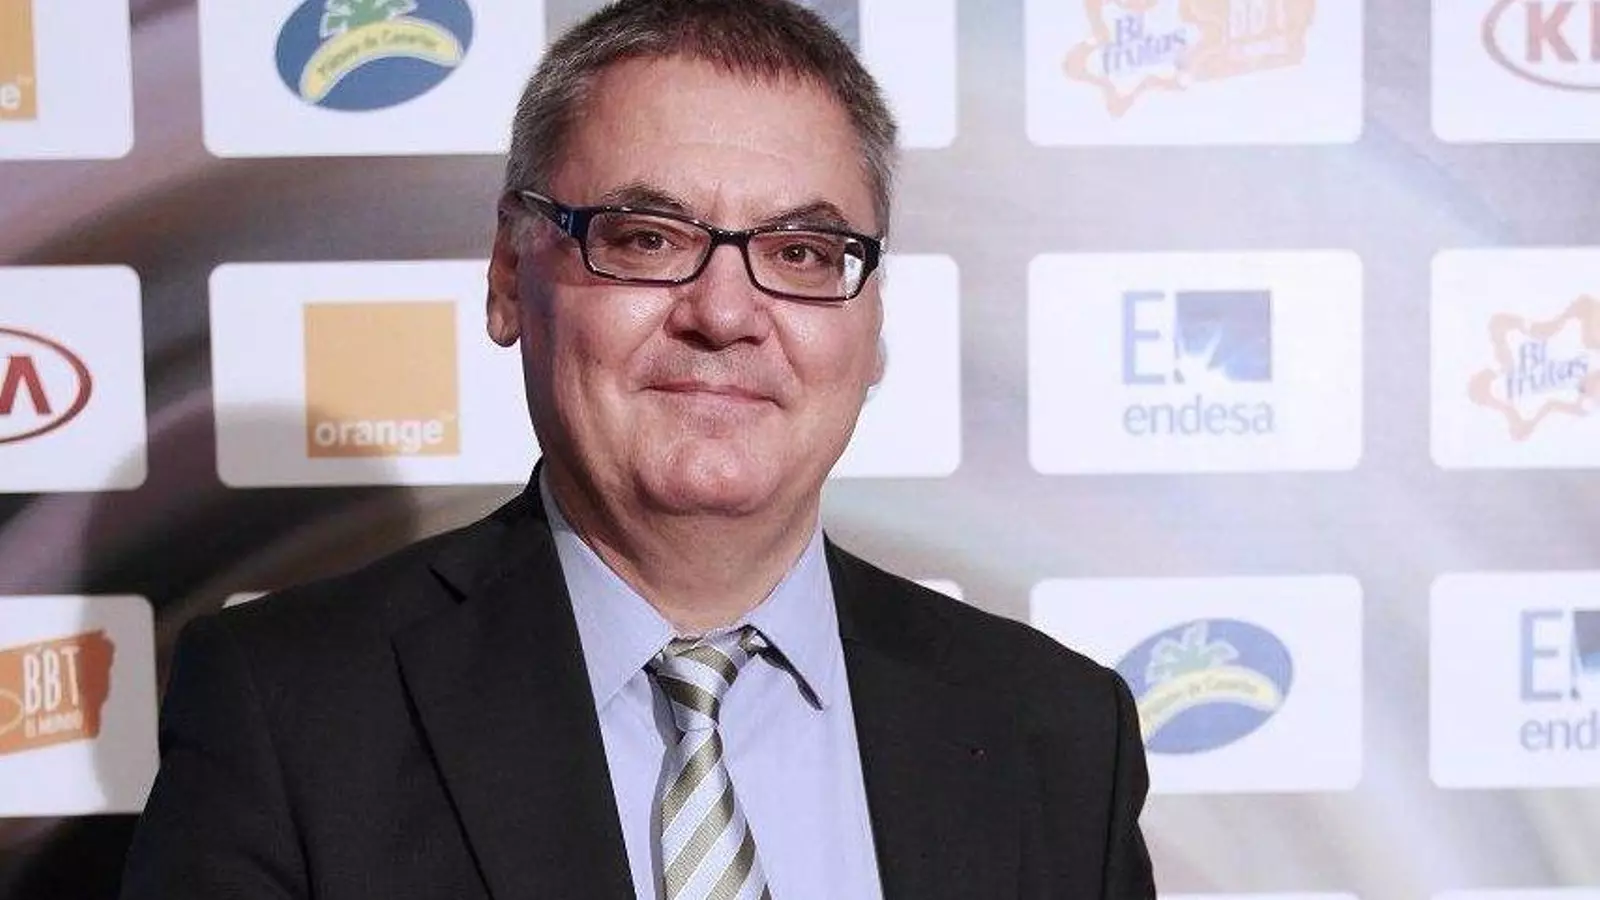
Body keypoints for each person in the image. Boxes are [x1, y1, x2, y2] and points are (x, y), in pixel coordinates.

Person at [120, 1, 1156, 897]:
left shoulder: (1057, 733)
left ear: (872, 320)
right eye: (647, 239)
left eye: (801, 252)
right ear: (508, 276)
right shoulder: (290, 713)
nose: (724, 314)